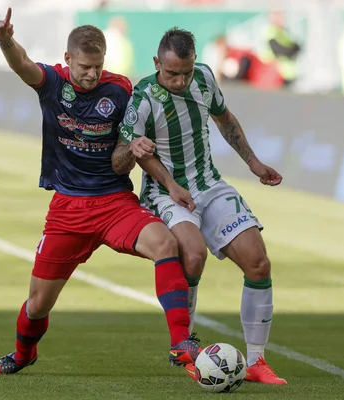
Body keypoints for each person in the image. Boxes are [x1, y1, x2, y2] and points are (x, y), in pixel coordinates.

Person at [0, 9, 201, 375]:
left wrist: (134, 150)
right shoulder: (52, 82)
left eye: (98, 65)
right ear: (68, 60)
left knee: (165, 243)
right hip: (67, 208)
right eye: (84, 66)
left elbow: (125, 152)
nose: (92, 73)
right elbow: (21, 64)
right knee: (37, 305)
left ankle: (181, 343)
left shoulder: (120, 89)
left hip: (114, 203)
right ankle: (23, 355)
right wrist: (5, 40)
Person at [112, 27, 287, 385]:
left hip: (209, 185)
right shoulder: (143, 96)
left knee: (258, 262)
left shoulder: (205, 77)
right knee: (193, 254)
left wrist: (253, 162)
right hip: (165, 192)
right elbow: (121, 157)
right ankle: (185, 347)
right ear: (157, 63)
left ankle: (256, 361)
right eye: (172, 73)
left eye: (186, 73)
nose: (179, 81)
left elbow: (225, 120)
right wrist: (163, 177)